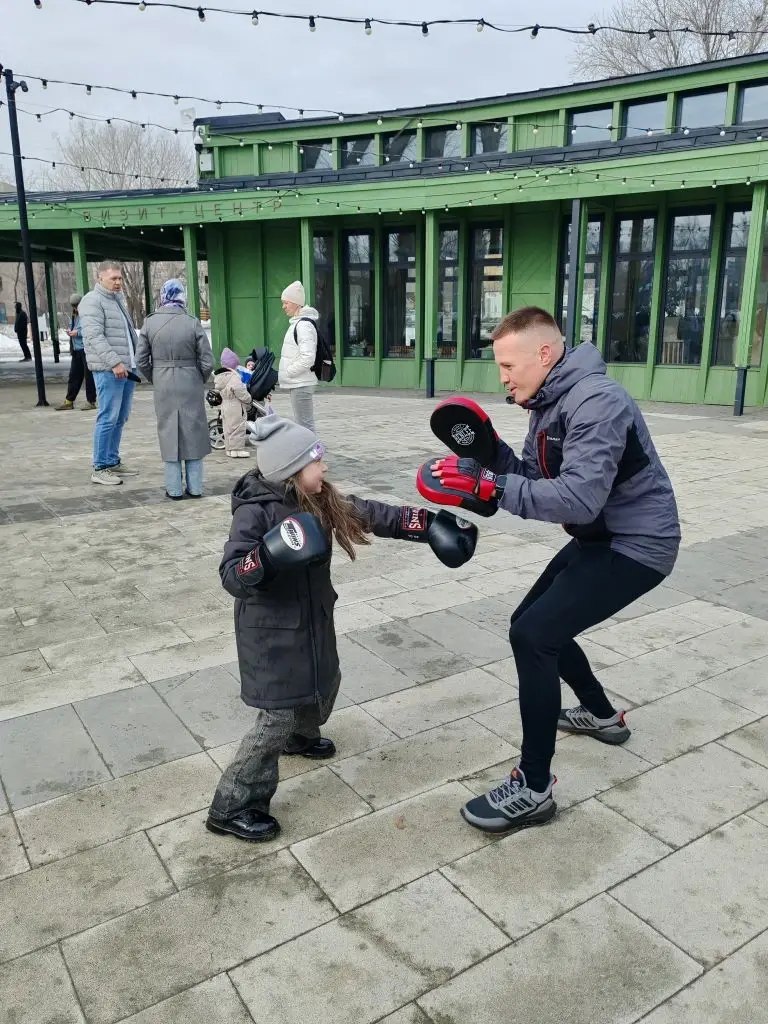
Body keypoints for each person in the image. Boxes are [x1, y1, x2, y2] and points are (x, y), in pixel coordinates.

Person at [419, 306, 680, 835]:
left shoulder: (597, 402)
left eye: (508, 365)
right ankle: (602, 716)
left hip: (639, 544)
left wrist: (490, 486)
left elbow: (576, 500)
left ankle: (534, 788)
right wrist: (488, 460)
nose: (503, 377)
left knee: (535, 637)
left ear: (545, 353)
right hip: (600, 537)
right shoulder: (549, 402)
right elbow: (535, 478)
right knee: (533, 623)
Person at [207, 415, 478, 842]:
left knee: (323, 685)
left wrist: (427, 524)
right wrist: (268, 556)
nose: (325, 467)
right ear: (292, 470)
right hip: (270, 634)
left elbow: (371, 514)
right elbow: (231, 575)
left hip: (313, 620)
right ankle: (233, 804)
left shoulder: (319, 501)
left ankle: (302, 735)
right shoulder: (255, 513)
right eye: (317, 461)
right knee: (274, 718)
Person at [136, 279, 215, 500]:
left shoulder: (149, 323)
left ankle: (174, 489)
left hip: (162, 382)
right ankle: (196, 487)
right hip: (190, 380)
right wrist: (198, 377)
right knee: (194, 431)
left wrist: (156, 376)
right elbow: (207, 361)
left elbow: (140, 359)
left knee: (168, 431)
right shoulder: (192, 322)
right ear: (182, 296)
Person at [79, 261, 140, 486]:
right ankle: (100, 466)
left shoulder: (117, 300)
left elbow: (127, 333)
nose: (118, 282)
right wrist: (115, 362)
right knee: (107, 417)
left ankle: (112, 460)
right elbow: (94, 337)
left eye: (120, 278)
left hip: (126, 369)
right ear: (100, 278)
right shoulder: (92, 301)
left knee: (120, 417)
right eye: (113, 278)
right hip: (109, 370)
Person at [278, 280, 319, 432]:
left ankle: (314, 455)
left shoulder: (303, 326)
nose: (283, 307)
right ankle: (311, 454)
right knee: (303, 425)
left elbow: (308, 357)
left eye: (286, 303)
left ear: (296, 303)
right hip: (298, 382)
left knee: (305, 426)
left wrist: (289, 371)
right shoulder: (298, 324)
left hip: (301, 383)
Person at [56, 294, 97, 411]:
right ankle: (69, 401)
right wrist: (70, 330)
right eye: (73, 306)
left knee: (89, 377)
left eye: (76, 305)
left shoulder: (88, 314)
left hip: (86, 349)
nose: (75, 308)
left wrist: (77, 333)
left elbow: (91, 329)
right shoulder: (75, 315)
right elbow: (74, 326)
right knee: (74, 376)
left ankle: (91, 401)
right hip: (76, 349)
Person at [213, 347, 252, 458]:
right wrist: (248, 398)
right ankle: (237, 450)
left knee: (227, 427)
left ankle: (229, 449)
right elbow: (240, 391)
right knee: (238, 427)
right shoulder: (234, 377)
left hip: (225, 404)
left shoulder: (220, 377)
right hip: (235, 405)